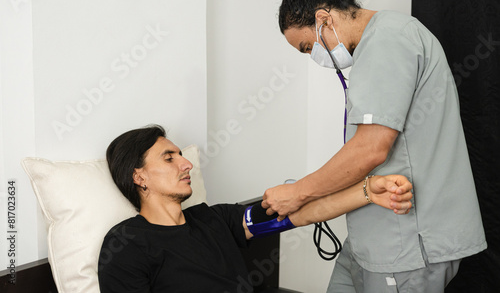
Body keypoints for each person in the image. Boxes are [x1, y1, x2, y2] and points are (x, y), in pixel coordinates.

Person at [261, 0, 487, 292]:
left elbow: (370, 150)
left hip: (408, 242)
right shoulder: (377, 45)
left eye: (308, 47)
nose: (314, 58)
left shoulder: (388, 39)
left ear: (324, 18)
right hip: (372, 235)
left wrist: (298, 192)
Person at [98, 124, 413, 293]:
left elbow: (296, 215)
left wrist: (367, 192)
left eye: (181, 154)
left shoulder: (212, 219)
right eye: (169, 157)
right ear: (138, 176)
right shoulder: (126, 243)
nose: (186, 163)